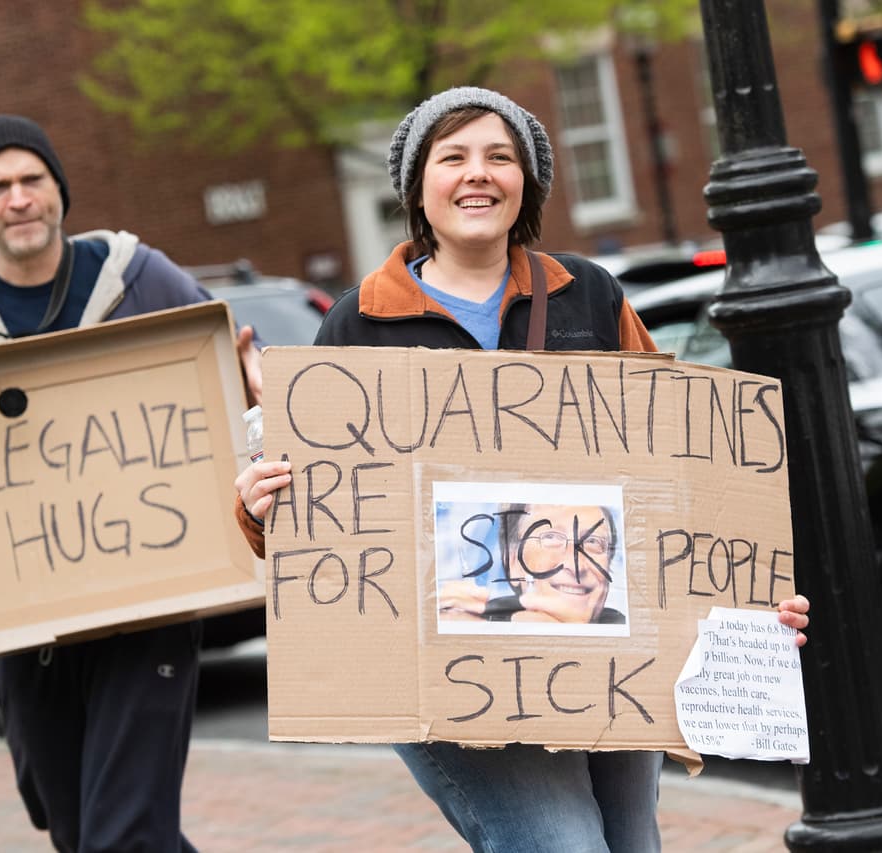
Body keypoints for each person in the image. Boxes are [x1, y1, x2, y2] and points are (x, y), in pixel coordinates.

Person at [232, 87, 810, 852]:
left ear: (527, 182)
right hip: (446, 663)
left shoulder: (592, 296)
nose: (479, 175)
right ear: (416, 184)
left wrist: (745, 601)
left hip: (605, 646)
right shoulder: (356, 323)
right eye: (454, 158)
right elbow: (323, 536)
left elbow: (683, 473)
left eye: (499, 157)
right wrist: (258, 506)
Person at [0, 114, 261, 853]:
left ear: (59, 189)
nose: (18, 199)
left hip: (151, 604)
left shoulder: (142, 280)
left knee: (123, 836)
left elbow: (223, 379)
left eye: (32, 179)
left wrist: (247, 381)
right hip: (22, 623)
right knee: (74, 831)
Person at [438, 503, 625, 625]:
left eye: (593, 542)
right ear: (513, 563)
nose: (576, 566)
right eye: (550, 537)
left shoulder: (628, 631)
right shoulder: (468, 621)